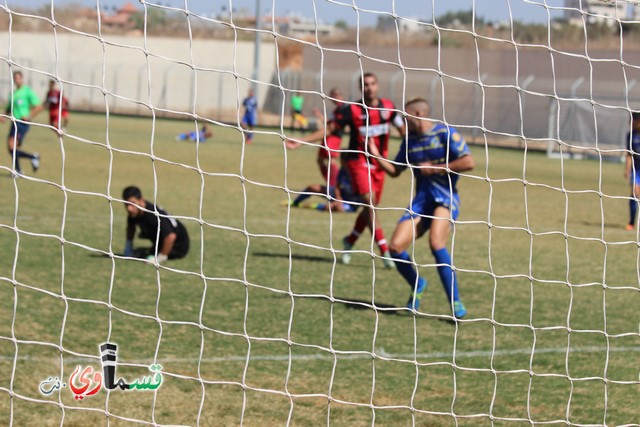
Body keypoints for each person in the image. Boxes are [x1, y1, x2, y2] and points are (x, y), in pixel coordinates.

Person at [368, 98, 474, 318]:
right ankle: (417, 284)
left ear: (418, 113)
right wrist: (376, 155)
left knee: (436, 242)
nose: (404, 121)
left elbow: (468, 162)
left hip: (445, 198)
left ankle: (455, 302)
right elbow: (396, 171)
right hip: (421, 201)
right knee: (395, 247)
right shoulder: (409, 141)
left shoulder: (444, 133)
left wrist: (436, 169)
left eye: (407, 116)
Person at [333, 72, 405, 269]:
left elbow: (404, 132)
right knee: (370, 203)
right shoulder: (352, 110)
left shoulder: (389, 108)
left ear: (378, 86)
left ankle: (350, 240)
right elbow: (331, 130)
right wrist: (300, 142)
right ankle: (384, 250)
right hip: (358, 162)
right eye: (365, 84)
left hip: (380, 164)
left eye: (372, 84)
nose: (369, 87)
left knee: (369, 209)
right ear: (360, 88)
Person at [285, 87, 345, 193]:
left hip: (335, 137)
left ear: (340, 96)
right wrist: (320, 116)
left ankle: (334, 186)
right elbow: (329, 124)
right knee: (320, 160)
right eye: (332, 96)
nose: (333, 98)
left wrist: (301, 141)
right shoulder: (336, 110)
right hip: (328, 136)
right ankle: (331, 183)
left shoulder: (343, 108)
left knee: (331, 160)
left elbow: (332, 128)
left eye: (335, 95)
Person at [122, 186, 190, 263]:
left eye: (132, 204)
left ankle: (162, 253)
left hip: (178, 246)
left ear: (141, 200)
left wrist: (160, 258)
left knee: (144, 255)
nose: (129, 208)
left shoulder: (152, 215)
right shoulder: (134, 213)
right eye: (126, 204)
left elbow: (171, 236)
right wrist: (128, 247)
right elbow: (131, 227)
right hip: (162, 241)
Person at [0, 71, 43, 175]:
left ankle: (30, 160)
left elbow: (38, 106)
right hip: (14, 122)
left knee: (12, 147)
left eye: (18, 78)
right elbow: (9, 107)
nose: (16, 80)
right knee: (12, 148)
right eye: (15, 78)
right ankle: (21, 168)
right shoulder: (13, 93)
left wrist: (29, 116)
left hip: (22, 123)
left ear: (22, 78)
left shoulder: (27, 91)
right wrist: (4, 115)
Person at [288, 156, 358, 213]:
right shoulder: (343, 170)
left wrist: (340, 203)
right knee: (312, 187)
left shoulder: (358, 173)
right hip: (339, 195)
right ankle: (295, 203)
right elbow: (337, 185)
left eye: (342, 160)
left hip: (350, 203)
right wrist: (338, 198)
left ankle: (322, 206)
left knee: (330, 208)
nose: (340, 162)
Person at [624, 111, 640, 230]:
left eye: (634, 120)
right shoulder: (630, 135)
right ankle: (631, 222)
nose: (632, 123)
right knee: (635, 193)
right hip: (636, 169)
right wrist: (627, 168)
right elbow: (629, 154)